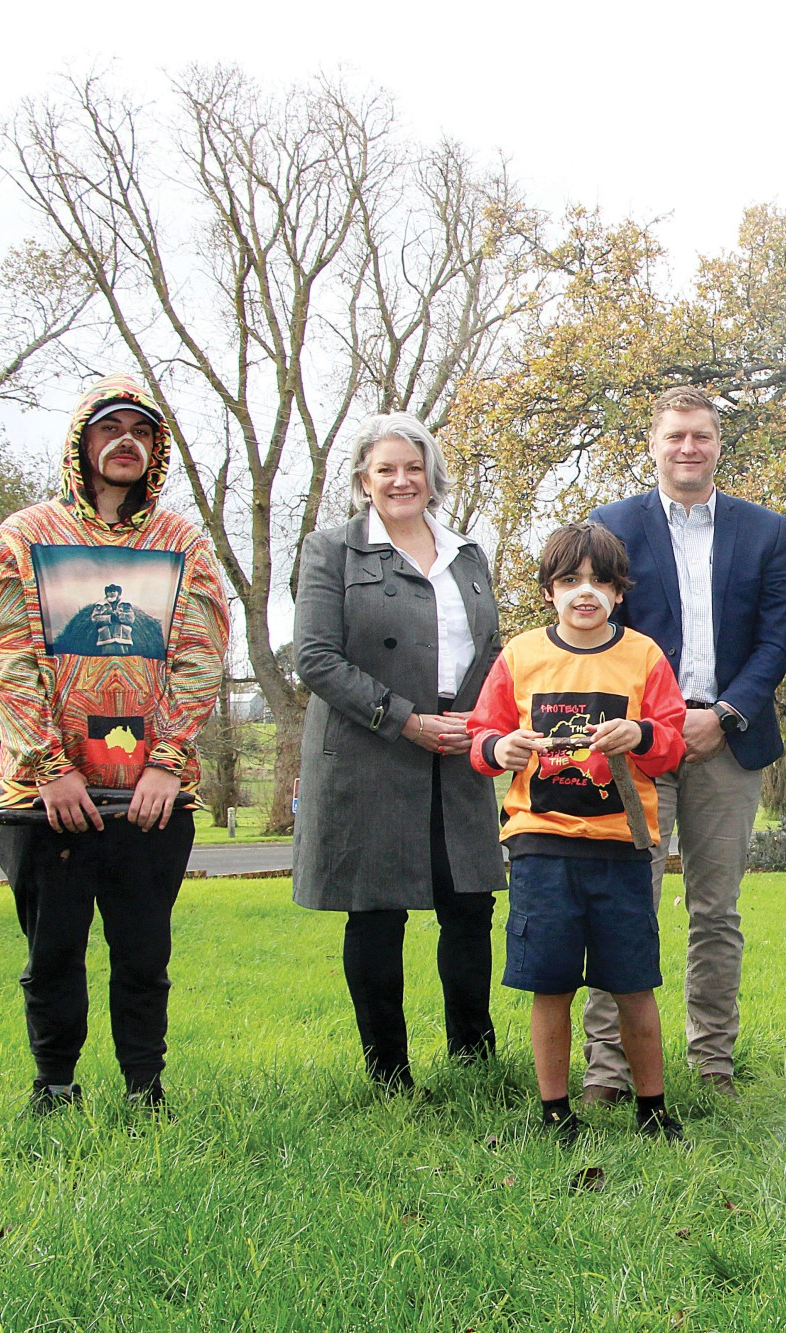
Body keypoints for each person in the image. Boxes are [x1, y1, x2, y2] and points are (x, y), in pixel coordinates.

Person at [0, 375, 229, 1113]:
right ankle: (54, 1086)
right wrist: (48, 767)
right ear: (81, 443)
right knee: (52, 953)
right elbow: (3, 655)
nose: (125, 440)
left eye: (140, 431)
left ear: (156, 450)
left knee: (144, 955)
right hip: (46, 797)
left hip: (148, 797)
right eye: (109, 427)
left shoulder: (181, 542)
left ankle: (145, 1090)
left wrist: (166, 762)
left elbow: (200, 655)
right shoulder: (25, 536)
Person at [583, 387, 786, 1104]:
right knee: (622, 904)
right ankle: (607, 1072)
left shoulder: (764, 530)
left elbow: (774, 643)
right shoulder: (610, 528)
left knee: (717, 911)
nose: (688, 448)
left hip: (728, 745)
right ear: (653, 443)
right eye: (675, 436)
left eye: (701, 435)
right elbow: (599, 640)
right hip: (639, 745)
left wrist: (727, 713)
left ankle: (713, 1066)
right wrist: (658, 724)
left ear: (717, 444)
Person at [292, 413, 505, 1091]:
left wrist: (485, 717)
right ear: (362, 480)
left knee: (469, 905)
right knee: (378, 910)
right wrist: (407, 720)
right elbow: (315, 658)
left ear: (432, 475)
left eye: (412, 467)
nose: (400, 480)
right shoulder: (331, 550)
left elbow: (494, 649)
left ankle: (474, 1062)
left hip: (459, 747)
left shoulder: (468, 552)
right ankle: (389, 1074)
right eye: (385, 469)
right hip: (373, 749)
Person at [467, 522, 688, 1141]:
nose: (583, 592)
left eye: (599, 581)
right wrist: (499, 746)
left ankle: (653, 1110)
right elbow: (481, 738)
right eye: (569, 581)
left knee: (634, 985)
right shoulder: (519, 655)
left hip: (622, 846)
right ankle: (554, 1112)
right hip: (540, 846)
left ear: (620, 592)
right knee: (551, 984)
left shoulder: (644, 656)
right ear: (548, 593)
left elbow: (671, 743)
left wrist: (640, 735)